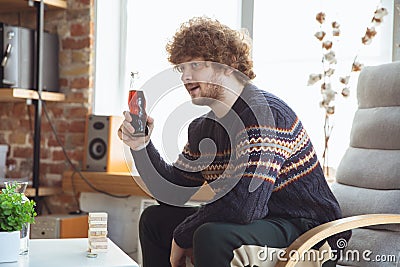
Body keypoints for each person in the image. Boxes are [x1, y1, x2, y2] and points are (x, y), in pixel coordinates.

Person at [118, 16, 351, 267]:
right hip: (258, 223)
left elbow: (244, 207)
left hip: (307, 231)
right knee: (155, 219)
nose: (185, 76)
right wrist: (140, 146)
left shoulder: (265, 115)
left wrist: (181, 234)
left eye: (195, 64)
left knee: (209, 235)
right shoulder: (203, 128)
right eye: (181, 68)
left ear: (228, 64)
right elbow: (170, 192)